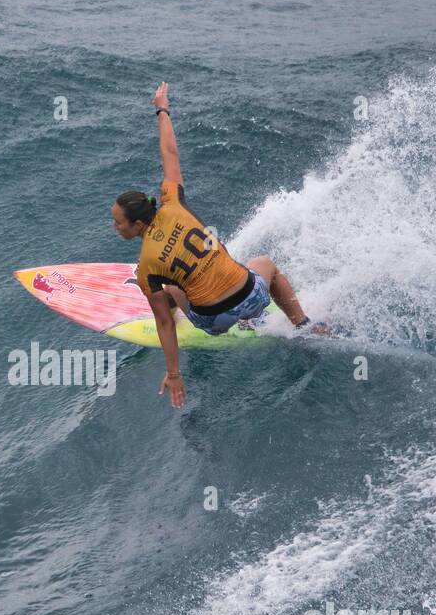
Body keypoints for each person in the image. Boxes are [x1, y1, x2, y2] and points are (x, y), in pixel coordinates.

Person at [112, 82, 327, 408]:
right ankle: (303, 325)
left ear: (138, 225)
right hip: (253, 295)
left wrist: (173, 374)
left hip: (215, 323)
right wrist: (162, 107)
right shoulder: (173, 202)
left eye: (118, 222)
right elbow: (169, 152)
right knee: (266, 264)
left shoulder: (147, 268)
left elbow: (165, 324)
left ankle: (224, 312)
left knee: (170, 291)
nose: (114, 227)